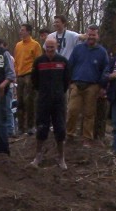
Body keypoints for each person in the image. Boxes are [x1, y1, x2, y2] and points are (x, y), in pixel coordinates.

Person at [29, 36, 70, 170]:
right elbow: (34, 81)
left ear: (56, 46)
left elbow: (66, 81)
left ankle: (61, 157)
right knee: (41, 127)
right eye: (48, 47)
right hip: (43, 99)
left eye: (52, 47)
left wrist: (58, 92)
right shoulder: (38, 62)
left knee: (60, 128)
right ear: (44, 47)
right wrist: (43, 91)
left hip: (59, 100)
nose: (50, 49)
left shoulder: (63, 61)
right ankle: (38, 155)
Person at [66, 24, 109, 145]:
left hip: (92, 86)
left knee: (89, 114)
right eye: (89, 34)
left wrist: (103, 87)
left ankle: (87, 138)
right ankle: (69, 135)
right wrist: (69, 81)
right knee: (72, 111)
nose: (91, 37)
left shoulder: (102, 52)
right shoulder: (78, 49)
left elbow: (105, 70)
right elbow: (70, 65)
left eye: (93, 35)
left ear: (97, 36)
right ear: (86, 35)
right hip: (76, 84)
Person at [14, 24, 42, 136]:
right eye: (20, 30)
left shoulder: (35, 45)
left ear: (28, 32)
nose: (20, 32)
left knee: (30, 101)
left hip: (30, 74)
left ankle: (31, 126)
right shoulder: (18, 45)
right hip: (20, 75)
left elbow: (38, 61)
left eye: (23, 30)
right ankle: (21, 127)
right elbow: (16, 60)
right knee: (20, 102)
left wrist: (36, 76)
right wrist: (16, 72)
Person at [0, 39, 17, 136]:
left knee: (8, 108)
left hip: (8, 85)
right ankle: (1, 129)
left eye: (1, 46)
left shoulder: (8, 56)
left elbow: (11, 72)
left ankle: (10, 130)